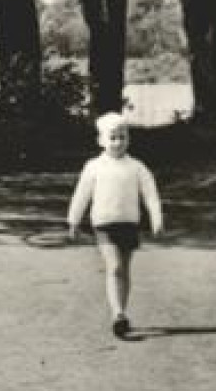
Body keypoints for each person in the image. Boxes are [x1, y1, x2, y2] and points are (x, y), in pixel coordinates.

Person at [67, 113, 164, 338]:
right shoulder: (93, 166)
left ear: (128, 139)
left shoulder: (137, 167)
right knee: (115, 267)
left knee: (125, 270)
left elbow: (150, 194)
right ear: (101, 140)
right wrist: (73, 220)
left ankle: (121, 312)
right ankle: (117, 313)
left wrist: (157, 219)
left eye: (122, 137)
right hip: (104, 224)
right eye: (112, 138)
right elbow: (81, 194)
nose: (118, 142)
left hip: (129, 224)